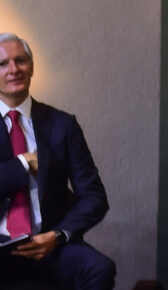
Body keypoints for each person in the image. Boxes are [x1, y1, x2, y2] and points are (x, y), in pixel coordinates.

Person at [0, 33, 116, 290]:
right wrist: (23, 164)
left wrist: (57, 236)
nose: (13, 69)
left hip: (49, 245)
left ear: (32, 67)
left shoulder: (62, 125)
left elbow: (94, 196)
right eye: (3, 64)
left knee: (100, 268)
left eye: (20, 60)